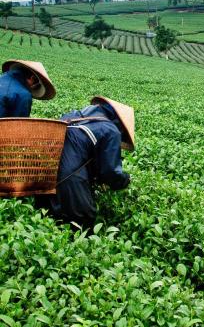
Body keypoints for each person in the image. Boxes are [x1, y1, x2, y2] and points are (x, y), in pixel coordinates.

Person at [35, 96, 134, 230]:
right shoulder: (111, 130)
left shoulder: (73, 116)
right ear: (121, 124)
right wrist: (125, 180)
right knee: (81, 223)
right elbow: (110, 172)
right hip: (69, 178)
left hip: (40, 173)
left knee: (44, 219)